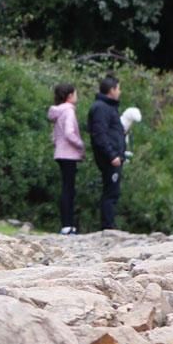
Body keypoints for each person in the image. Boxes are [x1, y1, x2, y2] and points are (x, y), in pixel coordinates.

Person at [87, 75, 127, 230]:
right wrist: (112, 155)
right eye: (118, 88)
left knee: (113, 191)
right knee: (110, 192)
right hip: (110, 157)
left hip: (116, 155)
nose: (120, 92)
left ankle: (109, 224)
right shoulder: (101, 108)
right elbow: (100, 134)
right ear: (112, 90)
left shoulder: (110, 107)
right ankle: (108, 226)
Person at [48, 83, 84, 235]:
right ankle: (68, 225)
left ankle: (66, 224)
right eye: (75, 93)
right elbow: (69, 133)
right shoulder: (69, 112)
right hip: (69, 154)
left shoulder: (58, 112)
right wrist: (80, 144)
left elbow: (55, 135)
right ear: (70, 96)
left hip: (60, 152)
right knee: (69, 189)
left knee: (66, 188)